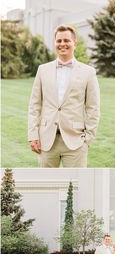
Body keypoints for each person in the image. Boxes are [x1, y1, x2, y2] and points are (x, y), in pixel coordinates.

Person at [28, 25, 100, 168]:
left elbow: (93, 108)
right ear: (55, 43)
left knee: (77, 184)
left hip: (76, 142)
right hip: (46, 141)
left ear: (75, 43)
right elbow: (34, 105)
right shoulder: (42, 70)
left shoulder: (88, 72)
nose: (62, 44)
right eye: (59, 41)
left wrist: (88, 140)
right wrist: (33, 135)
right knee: (46, 186)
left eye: (66, 40)